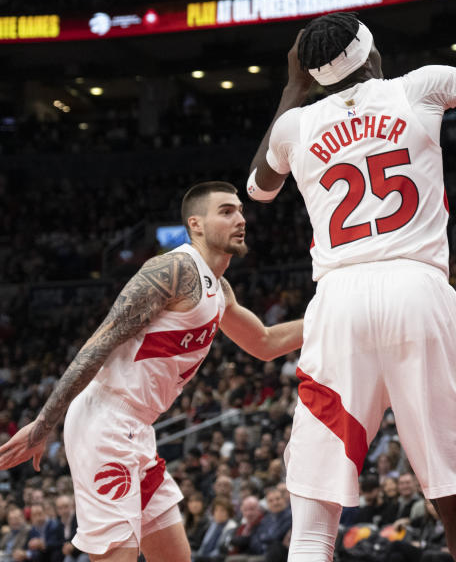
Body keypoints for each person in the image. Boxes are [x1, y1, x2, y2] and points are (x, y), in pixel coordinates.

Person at [245, 0, 456, 562]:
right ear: (372, 54)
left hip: (335, 304)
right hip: (418, 291)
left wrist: (291, 89)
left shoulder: (296, 125)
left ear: (312, 75)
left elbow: (258, 188)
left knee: (314, 517)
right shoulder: (418, 87)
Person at [0, 182, 305, 562]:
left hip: (139, 429)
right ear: (195, 224)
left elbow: (264, 342)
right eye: (226, 211)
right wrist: (44, 424)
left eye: (241, 211)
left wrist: (333, 317)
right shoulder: (173, 269)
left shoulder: (220, 289)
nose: (240, 218)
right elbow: (99, 344)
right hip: (105, 423)